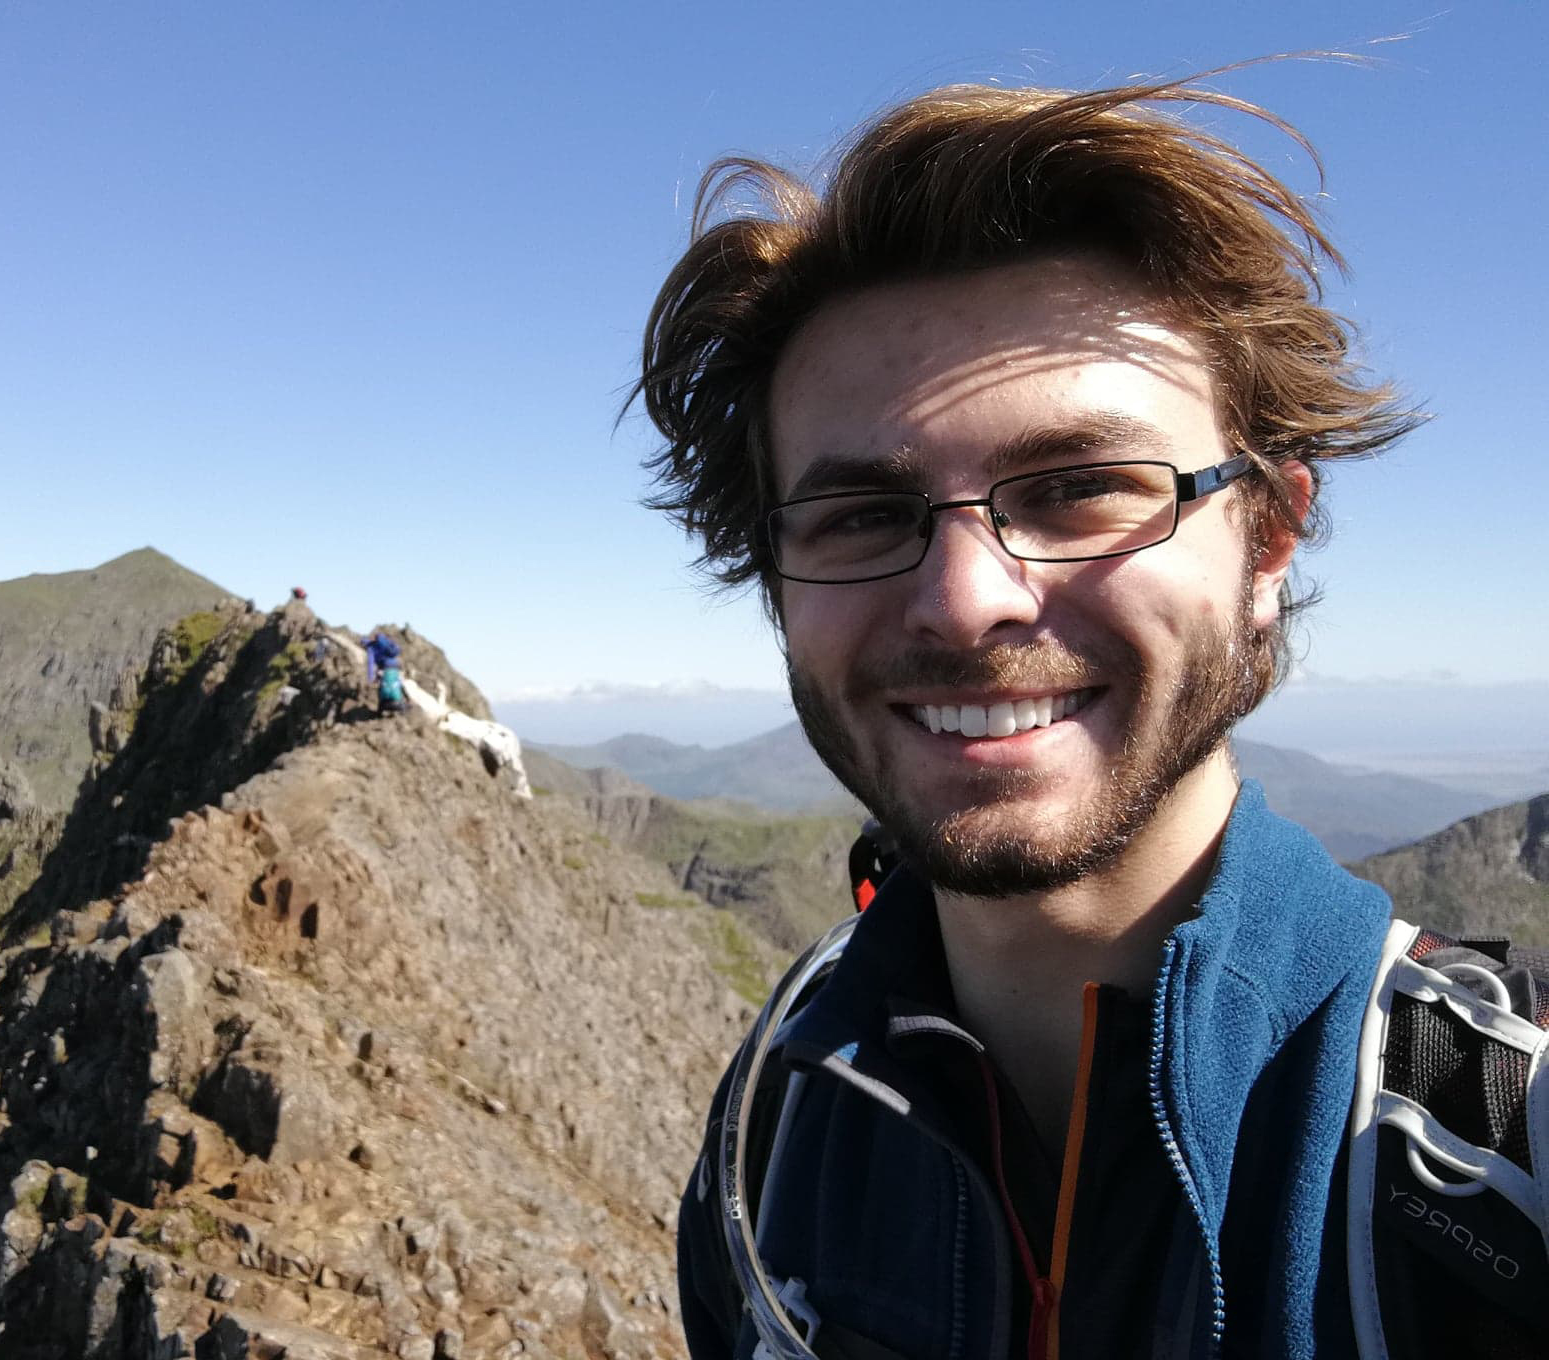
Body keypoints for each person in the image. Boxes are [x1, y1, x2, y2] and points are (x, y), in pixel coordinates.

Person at [636, 73, 1545, 1358]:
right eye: (863, 515)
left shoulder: (1505, 1151)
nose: (966, 602)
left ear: (1268, 540)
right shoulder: (775, 1119)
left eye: (1078, 488)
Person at [364, 629, 407, 716]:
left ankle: (380, 709)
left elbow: (370, 663)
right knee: (398, 683)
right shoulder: (384, 642)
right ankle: (403, 702)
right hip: (395, 666)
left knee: (382, 686)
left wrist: (371, 678)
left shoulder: (370, 648)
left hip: (384, 667)